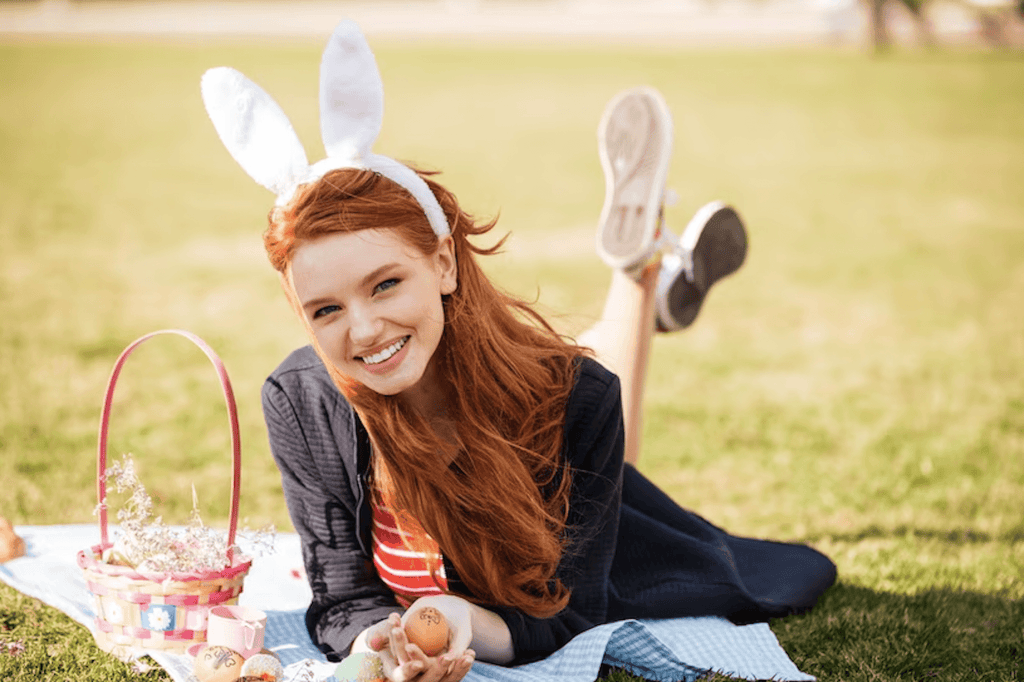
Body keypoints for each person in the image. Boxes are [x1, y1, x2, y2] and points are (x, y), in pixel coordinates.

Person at [202, 21, 836, 682]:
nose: (361, 331)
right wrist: (382, 651)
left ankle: (639, 269)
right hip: (526, 428)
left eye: (386, 284)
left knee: (583, 408)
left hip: (579, 486)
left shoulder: (578, 399)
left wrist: (463, 623)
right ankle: (648, 273)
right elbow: (341, 601)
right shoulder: (301, 398)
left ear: (444, 262)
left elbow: (568, 611)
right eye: (325, 310)